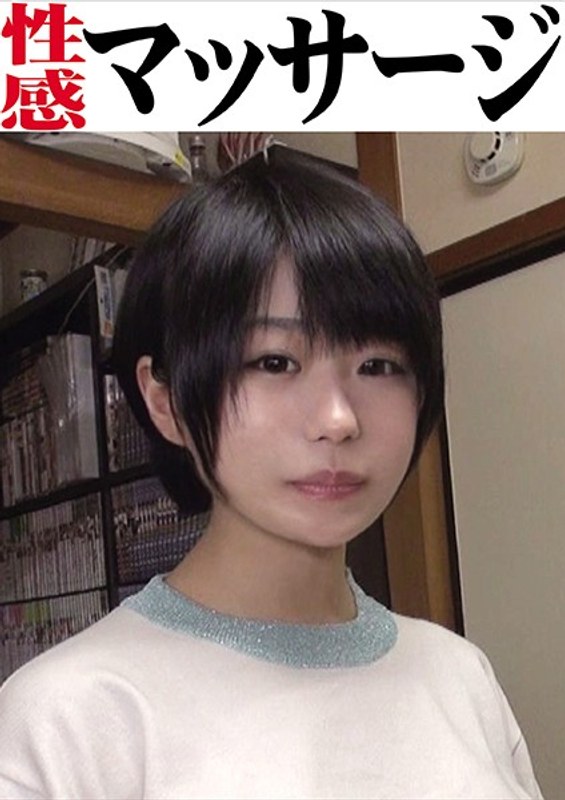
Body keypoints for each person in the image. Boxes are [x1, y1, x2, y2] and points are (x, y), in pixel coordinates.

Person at [0, 147, 542, 799]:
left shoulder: (460, 675)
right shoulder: (67, 720)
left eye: (377, 366)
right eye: (275, 362)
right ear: (165, 400)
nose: (338, 419)